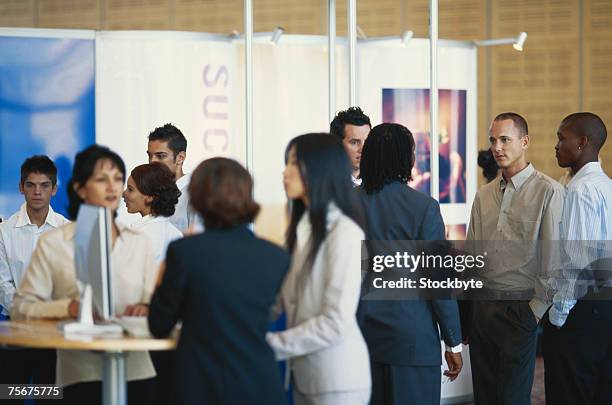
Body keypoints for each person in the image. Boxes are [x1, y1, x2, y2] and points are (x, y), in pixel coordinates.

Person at [11, 145, 158, 405]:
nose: (112, 187)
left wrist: (146, 306)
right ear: (80, 188)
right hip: (80, 374)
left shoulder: (139, 242)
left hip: (136, 371)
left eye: (117, 179)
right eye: (102, 179)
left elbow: (155, 300)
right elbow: (23, 307)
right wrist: (68, 307)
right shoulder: (55, 243)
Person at [148, 157, 290, 405]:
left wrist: (161, 276)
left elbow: (159, 325)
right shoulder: (276, 257)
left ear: (197, 198)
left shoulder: (184, 252)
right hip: (261, 386)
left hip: (201, 386)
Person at [356, 123, 463, 405]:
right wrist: (453, 341)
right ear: (406, 158)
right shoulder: (423, 208)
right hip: (411, 342)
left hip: (360, 340)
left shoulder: (346, 204)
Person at [466, 112, 565, 405]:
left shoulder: (549, 192)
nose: (497, 147)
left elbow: (555, 261)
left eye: (505, 140)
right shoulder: (483, 195)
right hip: (482, 311)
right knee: (483, 397)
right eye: (493, 140)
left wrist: (532, 314)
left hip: (520, 312)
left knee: (512, 398)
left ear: (525, 142)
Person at [266, 133, 371, 405]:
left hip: (338, 381)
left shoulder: (345, 232)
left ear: (318, 168)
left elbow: (335, 322)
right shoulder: (302, 230)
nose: (285, 173)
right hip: (306, 377)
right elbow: (278, 300)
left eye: (292, 164)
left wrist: (269, 344)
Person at [543, 112, 612, 405]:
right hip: (605, 305)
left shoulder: (580, 190)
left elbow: (578, 263)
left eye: (561, 138)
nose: (556, 146)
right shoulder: (606, 185)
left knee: (569, 393)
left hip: (580, 310)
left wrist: (557, 315)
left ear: (582, 142)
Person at [0, 155, 69, 396]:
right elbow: (2, 283)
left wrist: (47, 314)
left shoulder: (66, 230)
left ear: (54, 189)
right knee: (11, 394)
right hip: (15, 330)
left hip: (55, 334)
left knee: (50, 396)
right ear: (21, 188)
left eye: (44, 185)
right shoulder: (4, 231)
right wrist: (26, 313)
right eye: (30, 185)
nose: (37, 192)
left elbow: (70, 284)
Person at [123, 162, 182, 265]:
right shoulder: (176, 233)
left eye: (130, 189)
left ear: (150, 197)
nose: (123, 194)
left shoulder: (140, 236)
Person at [147, 123, 202, 234]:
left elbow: (199, 242)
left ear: (180, 158)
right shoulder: (153, 193)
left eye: (161, 156)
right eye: (150, 155)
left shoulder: (195, 194)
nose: (152, 161)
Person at [330, 107, 372, 186]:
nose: (363, 149)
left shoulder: (379, 185)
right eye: (354, 142)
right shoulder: (324, 185)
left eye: (367, 141)